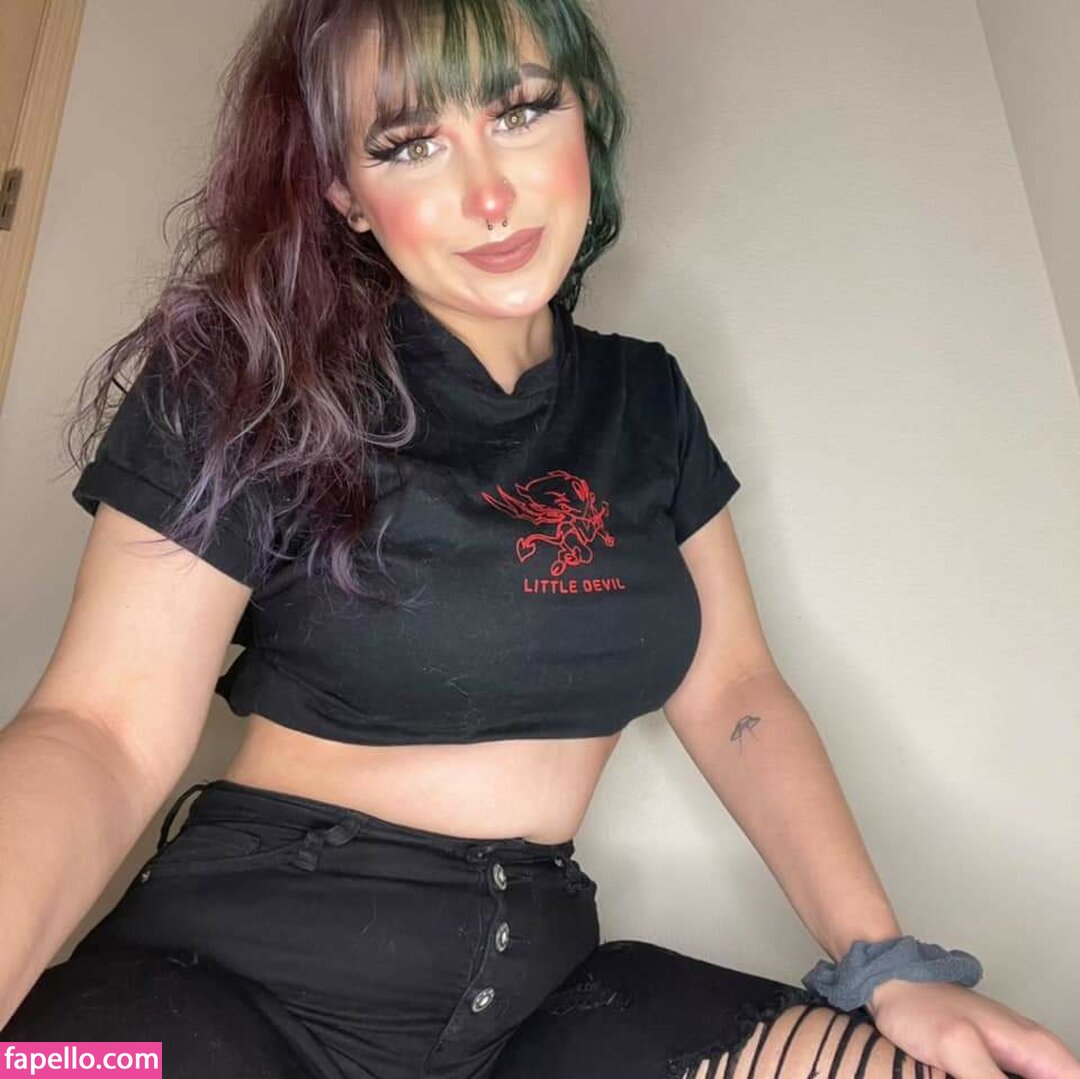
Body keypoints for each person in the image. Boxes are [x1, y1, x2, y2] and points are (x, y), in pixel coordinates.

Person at [1, 2, 1074, 1077]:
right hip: (226, 983)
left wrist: (884, 961)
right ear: (345, 193)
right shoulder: (249, 379)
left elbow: (735, 692)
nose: (488, 195)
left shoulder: (645, 397)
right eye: (409, 143)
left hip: (539, 998)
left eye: (518, 112)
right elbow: (100, 730)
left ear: (585, 113)